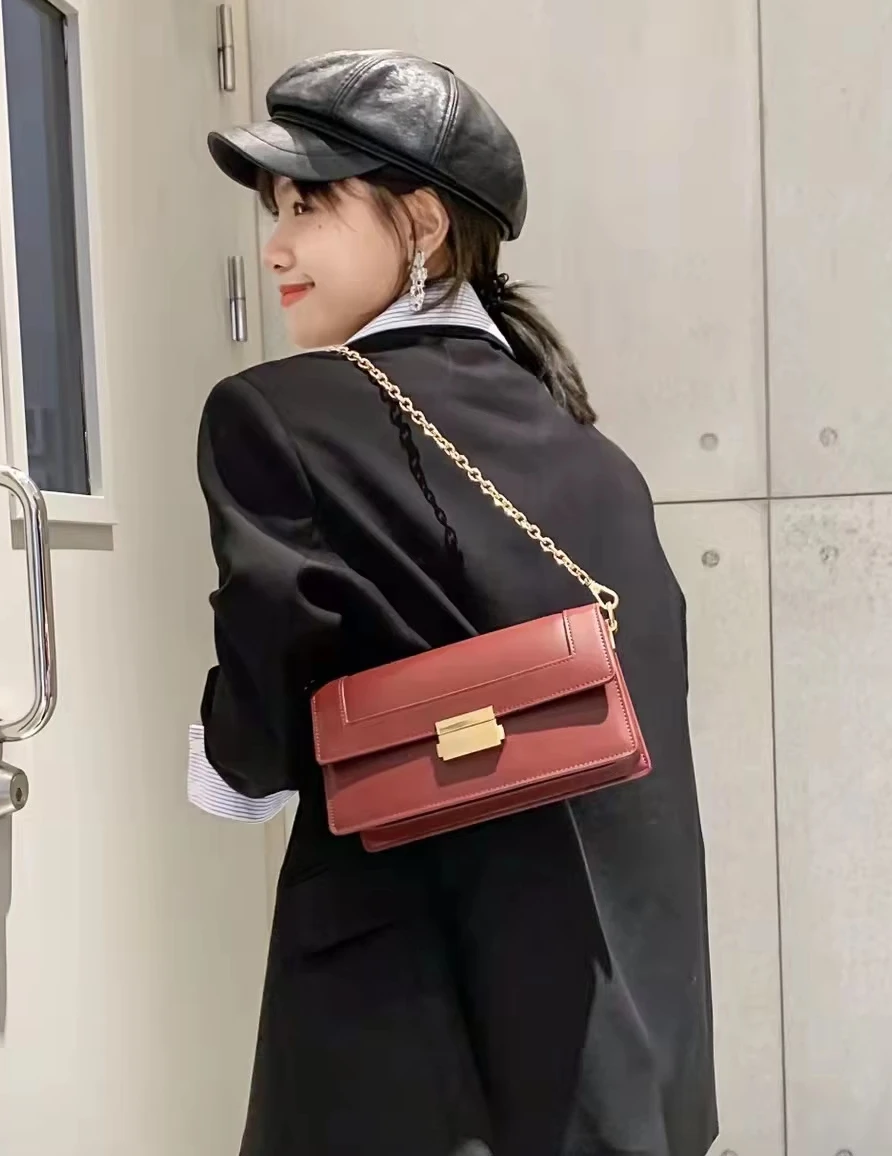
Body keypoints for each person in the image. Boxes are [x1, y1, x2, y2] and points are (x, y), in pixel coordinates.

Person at [198, 49, 717, 1156]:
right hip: (618, 1062)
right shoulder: (596, 459)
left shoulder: (281, 418)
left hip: (414, 1057)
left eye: (309, 204)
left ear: (423, 224)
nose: (275, 245)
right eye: (274, 208)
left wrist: (217, 753)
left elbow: (251, 753)